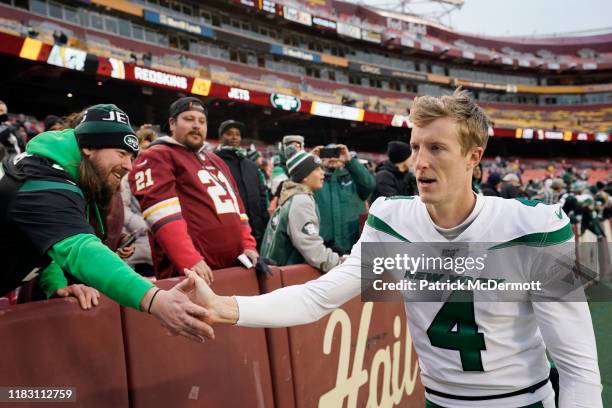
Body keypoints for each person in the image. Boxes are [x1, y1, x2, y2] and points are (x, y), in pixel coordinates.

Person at [186, 90, 602, 408]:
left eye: (437, 148)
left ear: (475, 157)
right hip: (439, 402)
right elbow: (318, 297)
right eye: (417, 146)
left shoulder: (534, 226)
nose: (420, 161)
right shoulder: (391, 220)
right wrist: (229, 308)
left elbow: (578, 365)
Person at [0, 104, 213, 343]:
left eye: (132, 157)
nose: (129, 166)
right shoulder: (41, 180)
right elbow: (81, 248)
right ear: (88, 147)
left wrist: (56, 284)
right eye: (121, 153)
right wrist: (154, 299)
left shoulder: (56, 173)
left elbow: (39, 237)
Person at [129, 97, 258, 282]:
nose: (197, 125)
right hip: (192, 273)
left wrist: (248, 245)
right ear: (172, 123)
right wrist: (189, 259)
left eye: (202, 121)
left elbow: (238, 210)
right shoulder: (158, 155)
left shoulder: (217, 161)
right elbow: (162, 215)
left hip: (233, 267)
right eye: (189, 119)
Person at [260, 148, 340, 273]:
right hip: (288, 276)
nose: (322, 173)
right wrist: (337, 263)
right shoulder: (301, 200)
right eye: (317, 169)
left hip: (280, 272)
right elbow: (310, 246)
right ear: (304, 177)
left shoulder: (293, 196)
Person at [312, 143, 375, 255]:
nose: (331, 158)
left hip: (353, 245)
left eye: (335, 153)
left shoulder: (354, 177)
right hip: (323, 249)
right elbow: (297, 185)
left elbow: (369, 185)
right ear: (321, 157)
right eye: (327, 154)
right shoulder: (314, 180)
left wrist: (349, 161)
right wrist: (310, 161)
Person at [215, 120, 269, 247]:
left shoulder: (250, 165)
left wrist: (263, 219)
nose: (234, 137)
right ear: (220, 137)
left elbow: (261, 194)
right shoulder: (213, 162)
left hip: (256, 230)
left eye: (237, 134)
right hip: (230, 232)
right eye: (229, 133)